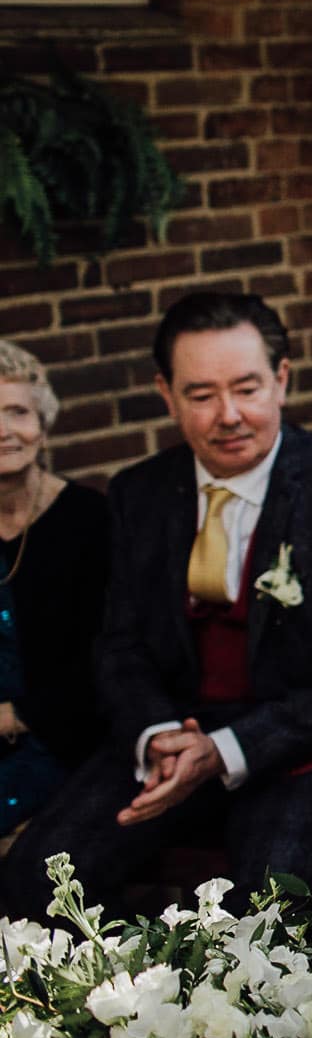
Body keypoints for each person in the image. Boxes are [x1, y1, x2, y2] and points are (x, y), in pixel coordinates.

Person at [2, 294, 312, 916]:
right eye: (200, 395)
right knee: (45, 870)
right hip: (175, 731)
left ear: (282, 379)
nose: (229, 416)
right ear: (165, 394)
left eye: (247, 388)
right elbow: (120, 646)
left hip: (309, 740)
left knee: (269, 899)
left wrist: (224, 749)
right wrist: (159, 734)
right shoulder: (139, 494)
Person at [0, 341, 111, 835]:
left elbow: (107, 657)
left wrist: (18, 716)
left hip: (71, 745)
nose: (4, 431)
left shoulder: (91, 520)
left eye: (17, 412)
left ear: (42, 428)